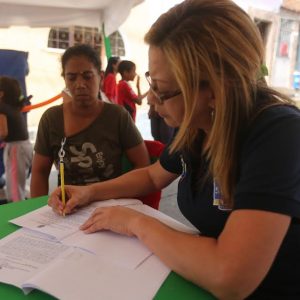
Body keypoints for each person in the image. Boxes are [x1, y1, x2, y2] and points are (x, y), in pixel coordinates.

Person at [48, 1, 300, 299]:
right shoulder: (197, 125)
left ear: (216, 91)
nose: (152, 101)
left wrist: (134, 222)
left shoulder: (279, 134)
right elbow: (154, 176)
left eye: (163, 91)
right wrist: (90, 192)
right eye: (151, 83)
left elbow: (229, 275)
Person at [30, 44, 150, 198]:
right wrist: (39, 214)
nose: (80, 84)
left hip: (111, 205)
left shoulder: (117, 116)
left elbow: (142, 164)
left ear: (100, 77)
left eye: (87, 76)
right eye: (71, 77)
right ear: (64, 79)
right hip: (67, 210)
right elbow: (39, 171)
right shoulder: (51, 119)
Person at [0, 76, 33, 202]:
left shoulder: (2, 107)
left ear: (1, 94)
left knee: (14, 190)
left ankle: (17, 215)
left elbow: (3, 132)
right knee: (17, 184)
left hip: (16, 149)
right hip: (24, 146)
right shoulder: (13, 107)